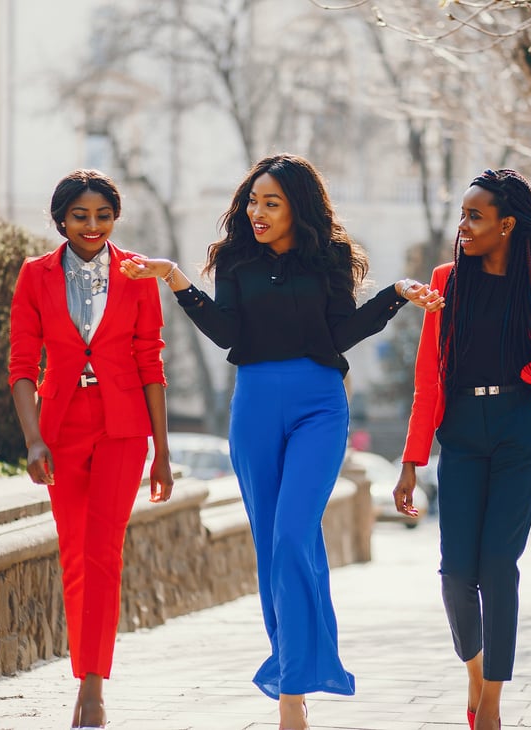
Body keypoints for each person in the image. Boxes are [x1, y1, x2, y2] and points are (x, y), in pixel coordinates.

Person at [120, 153, 443, 730]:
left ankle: (295, 679)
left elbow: (342, 332)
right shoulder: (235, 260)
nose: (258, 212)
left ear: (299, 206)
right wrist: (175, 280)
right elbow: (227, 333)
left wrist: (394, 294)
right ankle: (292, 691)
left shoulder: (332, 259)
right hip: (255, 407)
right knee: (271, 547)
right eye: (253, 202)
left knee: (295, 536)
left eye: (271, 202)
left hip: (320, 403)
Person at [394, 169, 531, 730]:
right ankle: (474, 671)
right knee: (456, 572)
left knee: (499, 566)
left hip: (520, 428)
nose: (464, 226)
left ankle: (492, 699)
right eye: (463, 215)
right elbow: (429, 377)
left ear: (507, 224)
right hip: (462, 433)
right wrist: (410, 462)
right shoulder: (446, 281)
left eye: (475, 216)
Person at [8, 169, 173, 729]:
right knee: (75, 554)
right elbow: (22, 365)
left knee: (104, 552)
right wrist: (33, 439)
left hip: (124, 429)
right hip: (60, 431)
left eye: (103, 215)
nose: (93, 225)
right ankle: (85, 674)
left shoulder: (138, 274)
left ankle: (95, 688)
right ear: (61, 219)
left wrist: (164, 454)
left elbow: (152, 362)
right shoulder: (35, 275)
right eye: (81, 215)